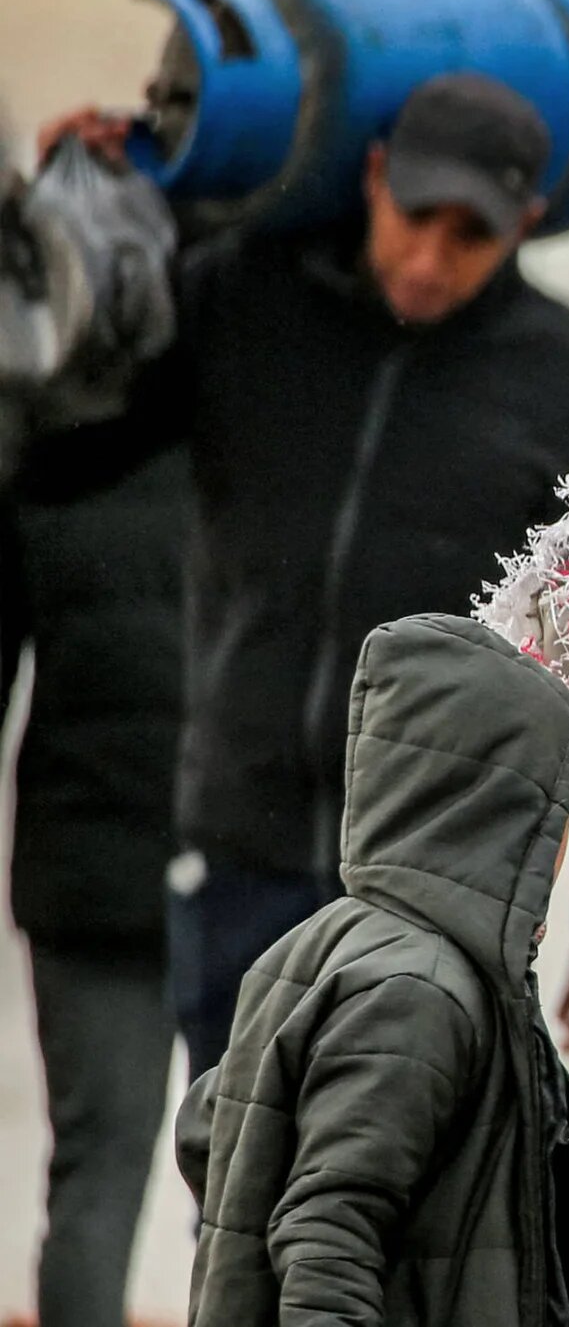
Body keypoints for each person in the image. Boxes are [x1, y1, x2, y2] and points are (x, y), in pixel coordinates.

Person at [38, 72, 569, 1078]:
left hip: (448, 886)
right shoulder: (242, 297)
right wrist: (70, 218)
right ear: (371, 174)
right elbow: (62, 450)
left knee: (399, 1216)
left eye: (471, 236)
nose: (429, 259)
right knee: (236, 1213)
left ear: (529, 223)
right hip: (243, 858)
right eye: (414, 218)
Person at [176, 614, 569, 1326]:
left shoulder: (348, 944)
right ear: (499, 811)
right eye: (555, 809)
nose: (558, 845)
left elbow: (223, 1129)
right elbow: (328, 1238)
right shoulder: (418, 992)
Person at [2, 421, 187, 1327]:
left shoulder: (45, 464)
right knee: (273, 1178)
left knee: (93, 1171)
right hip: (248, 865)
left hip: (82, 868)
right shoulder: (273, 455)